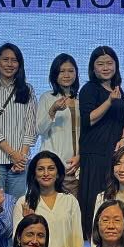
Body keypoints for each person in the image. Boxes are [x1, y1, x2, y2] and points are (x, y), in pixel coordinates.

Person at [77, 46, 124, 238]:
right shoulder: (89, 89)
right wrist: (109, 101)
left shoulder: (118, 90)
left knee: (112, 201)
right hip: (94, 155)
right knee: (93, 203)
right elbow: (88, 119)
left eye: (109, 63)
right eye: (100, 64)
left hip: (114, 155)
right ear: (93, 67)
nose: (105, 68)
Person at [0, 43, 37, 199]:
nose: (10, 64)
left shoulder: (27, 90)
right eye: (5, 59)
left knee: (16, 208)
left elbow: (31, 125)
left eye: (14, 60)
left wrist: (21, 157)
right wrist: (12, 153)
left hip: (19, 165)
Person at [13, 151, 83, 247]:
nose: (46, 173)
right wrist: (27, 223)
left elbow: (77, 240)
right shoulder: (24, 202)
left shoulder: (70, 201)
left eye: (51, 169)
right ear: (34, 174)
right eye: (40, 169)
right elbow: (16, 240)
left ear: (57, 173)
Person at [36, 53, 80, 196]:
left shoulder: (81, 99)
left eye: (71, 71)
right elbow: (40, 129)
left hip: (76, 168)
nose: (66, 75)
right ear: (54, 74)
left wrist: (80, 157)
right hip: (54, 167)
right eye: (62, 71)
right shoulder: (47, 97)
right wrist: (53, 110)